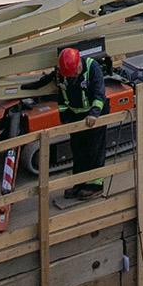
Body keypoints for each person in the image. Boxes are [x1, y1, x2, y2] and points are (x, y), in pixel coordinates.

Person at [56, 45, 109, 196]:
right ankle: (79, 183)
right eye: (70, 75)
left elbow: (99, 94)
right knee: (78, 152)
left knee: (95, 150)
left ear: (80, 63)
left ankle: (95, 185)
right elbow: (61, 97)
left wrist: (94, 114)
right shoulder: (63, 73)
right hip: (76, 118)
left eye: (75, 73)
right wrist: (64, 117)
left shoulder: (93, 67)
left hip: (94, 116)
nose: (73, 77)